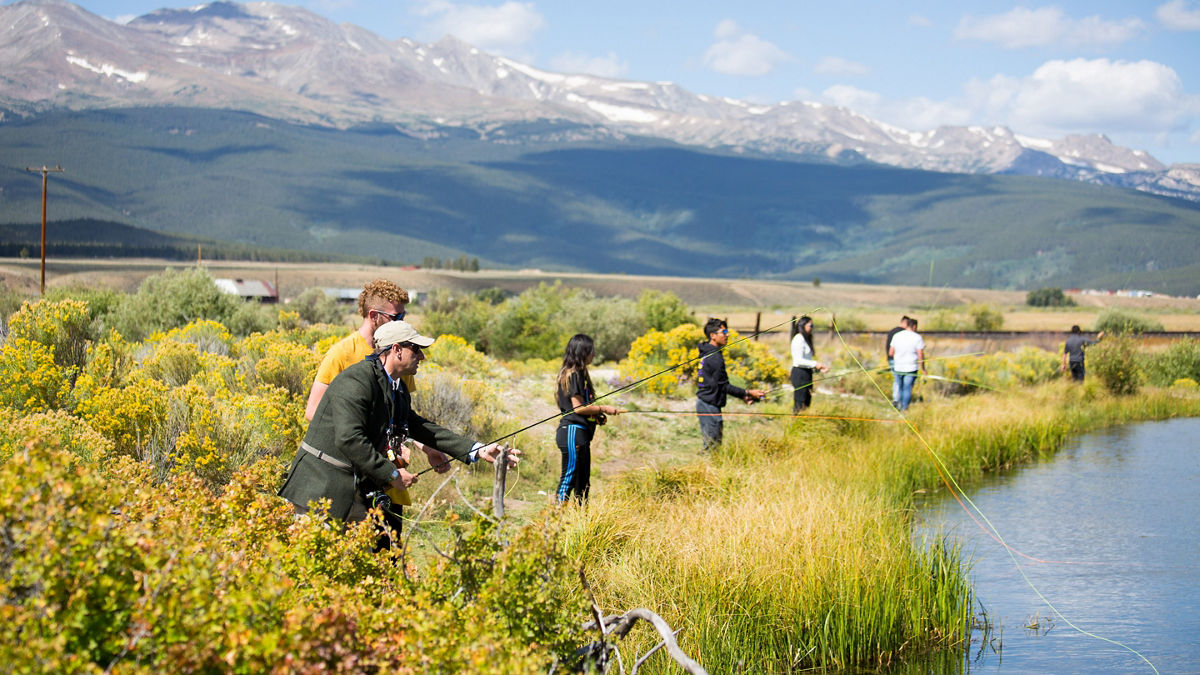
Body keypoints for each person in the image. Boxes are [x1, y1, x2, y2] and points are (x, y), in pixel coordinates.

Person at [279, 320, 520, 532]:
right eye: (416, 349)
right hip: (320, 490)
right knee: (309, 571)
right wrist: (391, 474)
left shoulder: (396, 386)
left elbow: (418, 426)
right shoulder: (356, 380)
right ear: (396, 350)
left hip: (353, 491)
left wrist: (477, 449)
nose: (422, 357)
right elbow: (349, 439)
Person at [304, 279, 450, 477]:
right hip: (348, 468)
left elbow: (402, 416)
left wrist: (428, 448)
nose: (401, 322)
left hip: (388, 469)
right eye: (396, 316)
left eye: (404, 315)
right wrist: (377, 440)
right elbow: (314, 412)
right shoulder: (341, 353)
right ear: (373, 316)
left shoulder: (400, 357)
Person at [554, 334, 624, 503]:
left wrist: (594, 415)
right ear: (582, 352)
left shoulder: (577, 374)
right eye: (591, 351)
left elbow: (578, 408)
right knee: (568, 480)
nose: (593, 354)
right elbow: (577, 408)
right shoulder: (574, 374)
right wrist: (603, 408)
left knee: (583, 484)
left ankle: (583, 523)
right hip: (572, 433)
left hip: (581, 433)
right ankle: (553, 524)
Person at [696, 318, 765, 451]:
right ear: (713, 336)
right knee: (712, 448)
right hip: (709, 406)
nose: (728, 334)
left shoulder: (707, 351)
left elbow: (717, 384)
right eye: (724, 331)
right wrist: (748, 393)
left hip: (706, 403)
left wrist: (743, 396)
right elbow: (724, 386)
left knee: (712, 446)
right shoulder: (714, 357)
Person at [790, 315, 829, 412]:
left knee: (807, 403)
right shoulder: (798, 339)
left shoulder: (805, 339)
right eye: (810, 326)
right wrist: (815, 364)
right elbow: (798, 361)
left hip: (806, 373)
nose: (812, 328)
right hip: (799, 374)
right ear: (803, 325)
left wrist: (816, 367)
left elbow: (806, 360)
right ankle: (796, 424)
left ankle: (803, 422)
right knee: (800, 403)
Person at [888, 318, 926, 412]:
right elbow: (920, 355)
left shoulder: (897, 336)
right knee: (907, 388)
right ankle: (905, 409)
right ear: (914, 326)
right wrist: (923, 368)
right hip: (911, 368)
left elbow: (891, 353)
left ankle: (899, 407)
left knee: (899, 387)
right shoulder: (917, 337)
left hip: (898, 367)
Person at [885, 316, 912, 408]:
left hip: (891, 358)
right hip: (897, 360)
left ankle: (897, 400)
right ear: (905, 323)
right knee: (899, 381)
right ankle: (897, 401)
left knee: (897, 380)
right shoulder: (901, 333)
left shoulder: (892, 330)